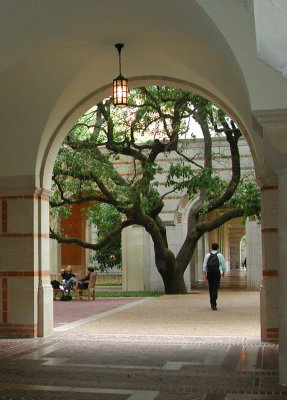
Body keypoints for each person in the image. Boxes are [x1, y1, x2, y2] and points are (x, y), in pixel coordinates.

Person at [202, 242, 226, 310]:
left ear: (211, 247)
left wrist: (205, 274)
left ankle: (211, 301)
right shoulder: (220, 255)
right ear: (218, 247)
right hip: (216, 273)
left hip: (209, 273)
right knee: (215, 288)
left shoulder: (207, 255)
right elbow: (223, 265)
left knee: (211, 287)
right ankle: (214, 303)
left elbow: (204, 265)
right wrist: (223, 272)